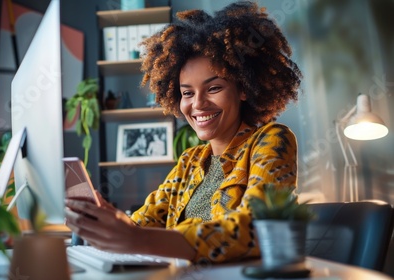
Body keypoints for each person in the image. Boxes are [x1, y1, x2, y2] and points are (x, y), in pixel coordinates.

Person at [65, 1, 301, 264]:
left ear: (243, 88)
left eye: (213, 89)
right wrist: (109, 224)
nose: (197, 104)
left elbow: (257, 227)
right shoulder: (189, 162)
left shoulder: (272, 140)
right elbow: (144, 221)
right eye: (187, 93)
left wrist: (137, 238)